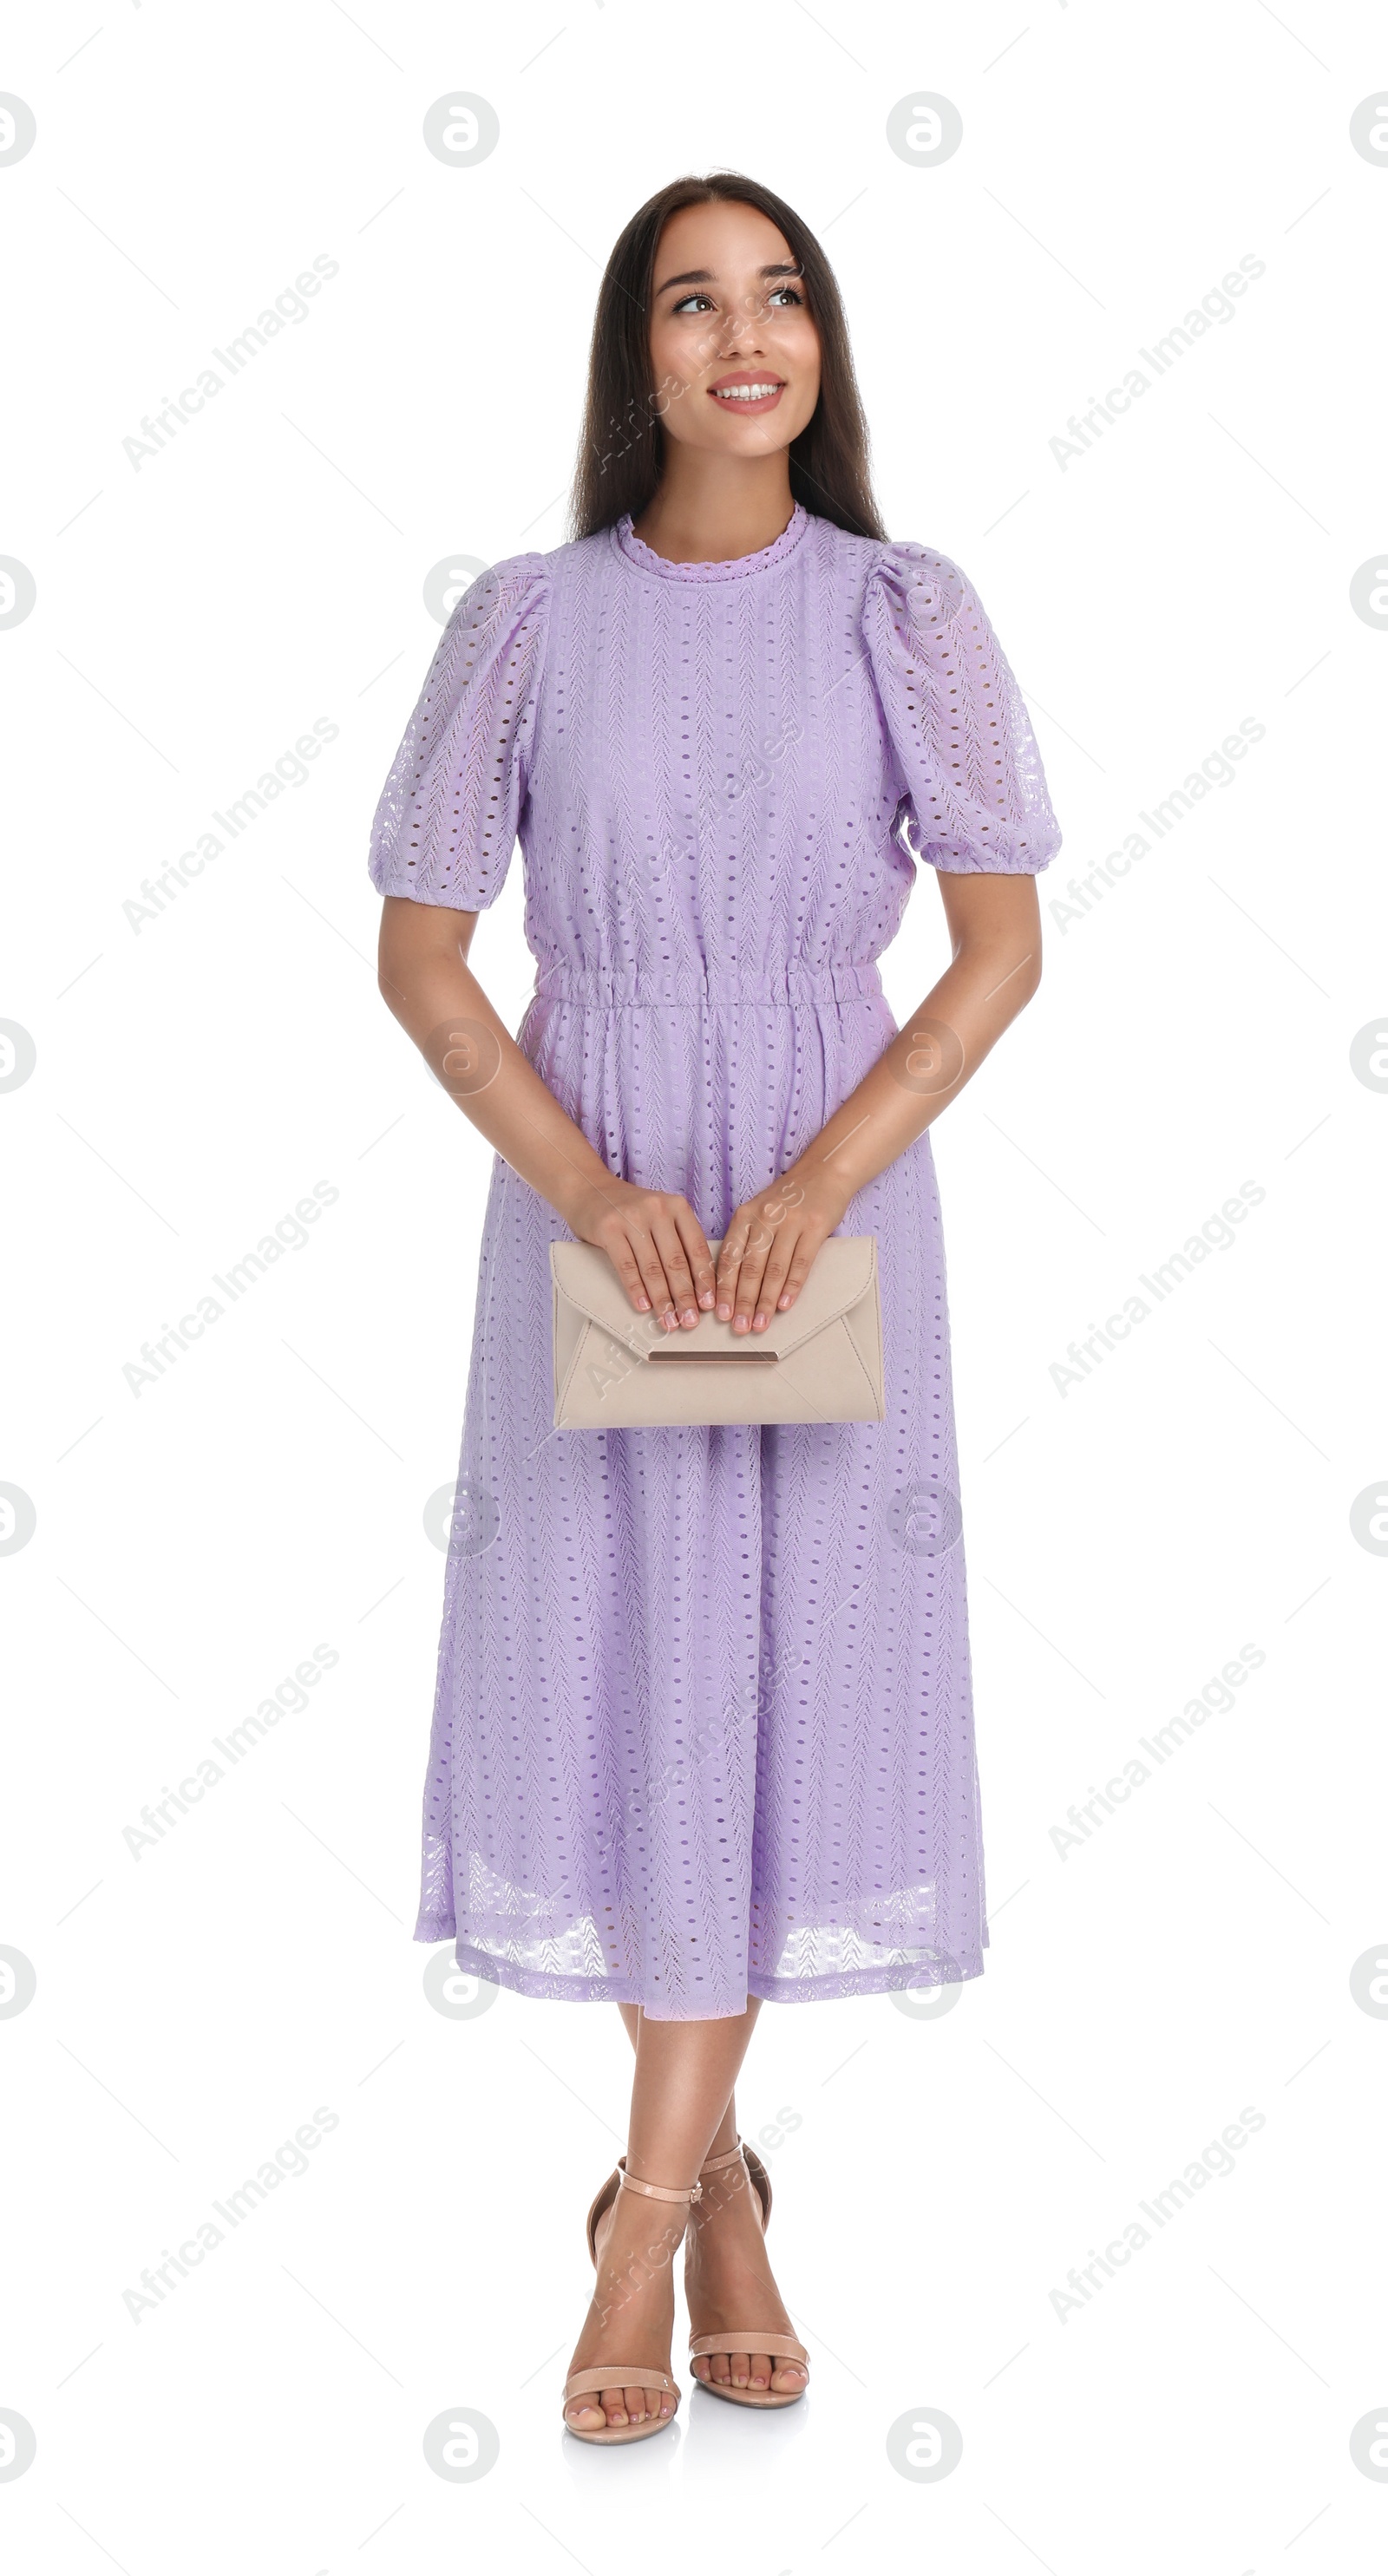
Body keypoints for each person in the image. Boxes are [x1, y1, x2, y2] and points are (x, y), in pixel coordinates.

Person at [367, 170, 1062, 2446]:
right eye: (694, 301)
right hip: (600, 1226)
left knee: (789, 1704)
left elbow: (995, 949)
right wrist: (597, 1187)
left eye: (781, 297)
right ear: (634, 352)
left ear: (824, 345)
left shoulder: (907, 611)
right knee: (641, 1689)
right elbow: (422, 954)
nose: (743, 337)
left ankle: (650, 2206)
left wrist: (814, 1186)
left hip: (832, 1222)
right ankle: (723, 2191)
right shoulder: (531, 621)